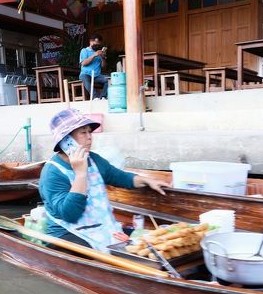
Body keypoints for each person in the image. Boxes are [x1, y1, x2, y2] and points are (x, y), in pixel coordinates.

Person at [39, 108, 171, 252]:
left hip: (102, 227)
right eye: (83, 132)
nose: (90, 137)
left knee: (148, 244)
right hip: (67, 233)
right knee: (100, 255)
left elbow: (119, 176)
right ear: (66, 140)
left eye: (90, 132)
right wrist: (81, 174)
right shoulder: (52, 173)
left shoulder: (94, 159)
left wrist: (147, 180)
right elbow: (70, 214)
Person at [79, 33, 109, 99]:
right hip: (86, 74)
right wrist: (94, 55)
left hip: (97, 75)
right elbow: (83, 63)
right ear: (90, 41)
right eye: (95, 44)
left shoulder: (99, 52)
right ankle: (95, 97)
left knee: (109, 80)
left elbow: (103, 67)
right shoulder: (84, 51)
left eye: (98, 44)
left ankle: (103, 96)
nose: (97, 46)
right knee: (85, 79)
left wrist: (103, 57)